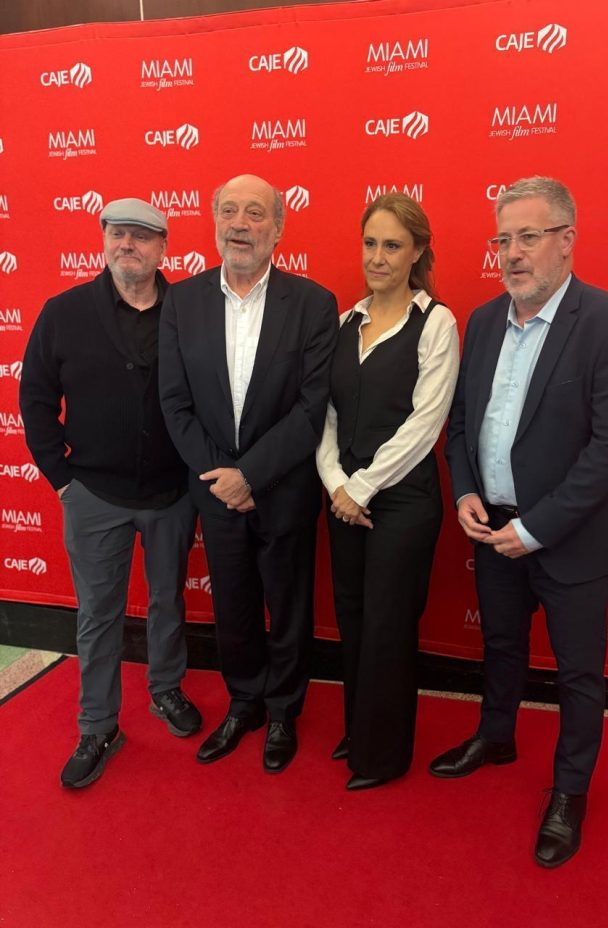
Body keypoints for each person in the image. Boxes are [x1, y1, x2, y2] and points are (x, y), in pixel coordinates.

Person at [429, 177, 608, 866]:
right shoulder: (483, 321)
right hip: (492, 526)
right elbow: (461, 423)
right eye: (504, 239)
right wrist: (466, 491)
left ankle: (569, 791)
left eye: (529, 237)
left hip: (569, 539)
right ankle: (496, 736)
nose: (513, 253)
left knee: (580, 674)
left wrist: (536, 529)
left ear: (566, 240)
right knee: (501, 645)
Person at [159, 174, 338, 774]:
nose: (240, 223)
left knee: (288, 606)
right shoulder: (182, 302)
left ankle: (283, 709)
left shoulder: (313, 304)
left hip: (283, 490)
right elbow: (175, 403)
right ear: (214, 222)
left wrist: (251, 476)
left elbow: (311, 407)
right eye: (229, 211)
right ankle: (244, 704)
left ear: (278, 228)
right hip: (214, 490)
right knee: (232, 606)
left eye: (255, 212)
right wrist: (223, 476)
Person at [20, 198, 200, 789]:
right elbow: (35, 398)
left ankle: (166, 689)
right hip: (94, 493)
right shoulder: (64, 312)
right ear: (103, 239)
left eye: (142, 237)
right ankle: (98, 725)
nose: (128, 245)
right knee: (98, 614)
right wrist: (62, 479)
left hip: (173, 493)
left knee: (169, 599)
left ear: (163, 247)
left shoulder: (190, 311)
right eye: (118, 233)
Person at [316, 194, 459, 790]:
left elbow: (426, 422)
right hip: (343, 497)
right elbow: (325, 416)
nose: (378, 257)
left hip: (401, 501)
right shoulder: (344, 323)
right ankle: (359, 729)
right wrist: (336, 484)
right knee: (352, 618)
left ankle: (384, 755)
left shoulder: (437, 323)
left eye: (393, 245)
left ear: (418, 252)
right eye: (371, 243)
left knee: (388, 624)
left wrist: (363, 486)